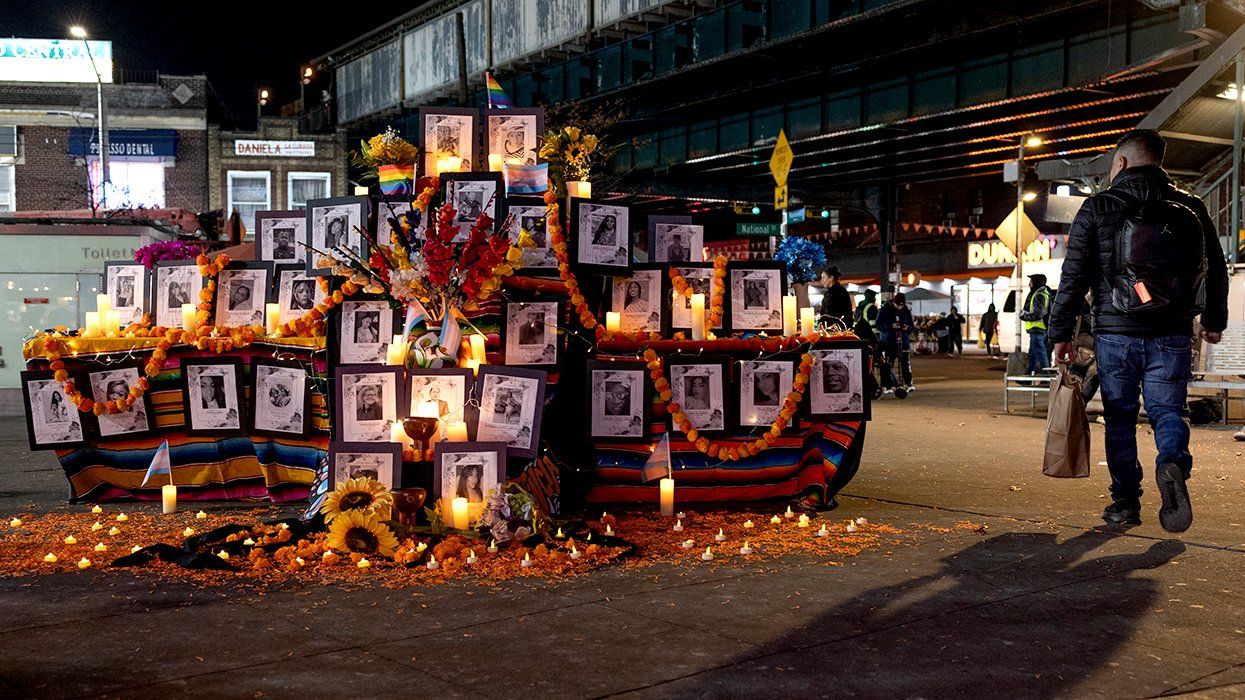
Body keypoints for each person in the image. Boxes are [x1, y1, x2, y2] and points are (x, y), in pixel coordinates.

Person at [1049, 129, 1228, 533]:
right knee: (1169, 410)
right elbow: (1215, 268)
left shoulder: (1099, 206)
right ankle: (1171, 463)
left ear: (1123, 163)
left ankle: (1126, 503)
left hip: (1115, 332)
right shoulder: (1191, 206)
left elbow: (1073, 276)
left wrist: (1060, 333)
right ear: (1159, 162)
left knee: (1120, 418)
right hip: (1173, 332)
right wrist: (1213, 320)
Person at [875, 292, 915, 394]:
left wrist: (908, 328)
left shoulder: (906, 310)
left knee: (905, 363)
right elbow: (878, 324)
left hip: (903, 340)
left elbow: (911, 325)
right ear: (894, 302)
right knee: (888, 363)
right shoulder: (885, 309)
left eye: (902, 305)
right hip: (889, 341)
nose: (900, 307)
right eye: (898, 305)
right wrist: (890, 326)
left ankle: (908, 384)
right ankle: (886, 385)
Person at [1021, 273, 1053, 374]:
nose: (1029, 284)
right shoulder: (1040, 293)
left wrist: (1024, 316)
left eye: (1031, 281)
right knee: (1033, 355)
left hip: (1037, 328)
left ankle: (1046, 376)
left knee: (1040, 353)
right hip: (1037, 329)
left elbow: (1038, 314)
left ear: (1036, 282)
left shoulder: (1039, 295)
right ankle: (1028, 377)